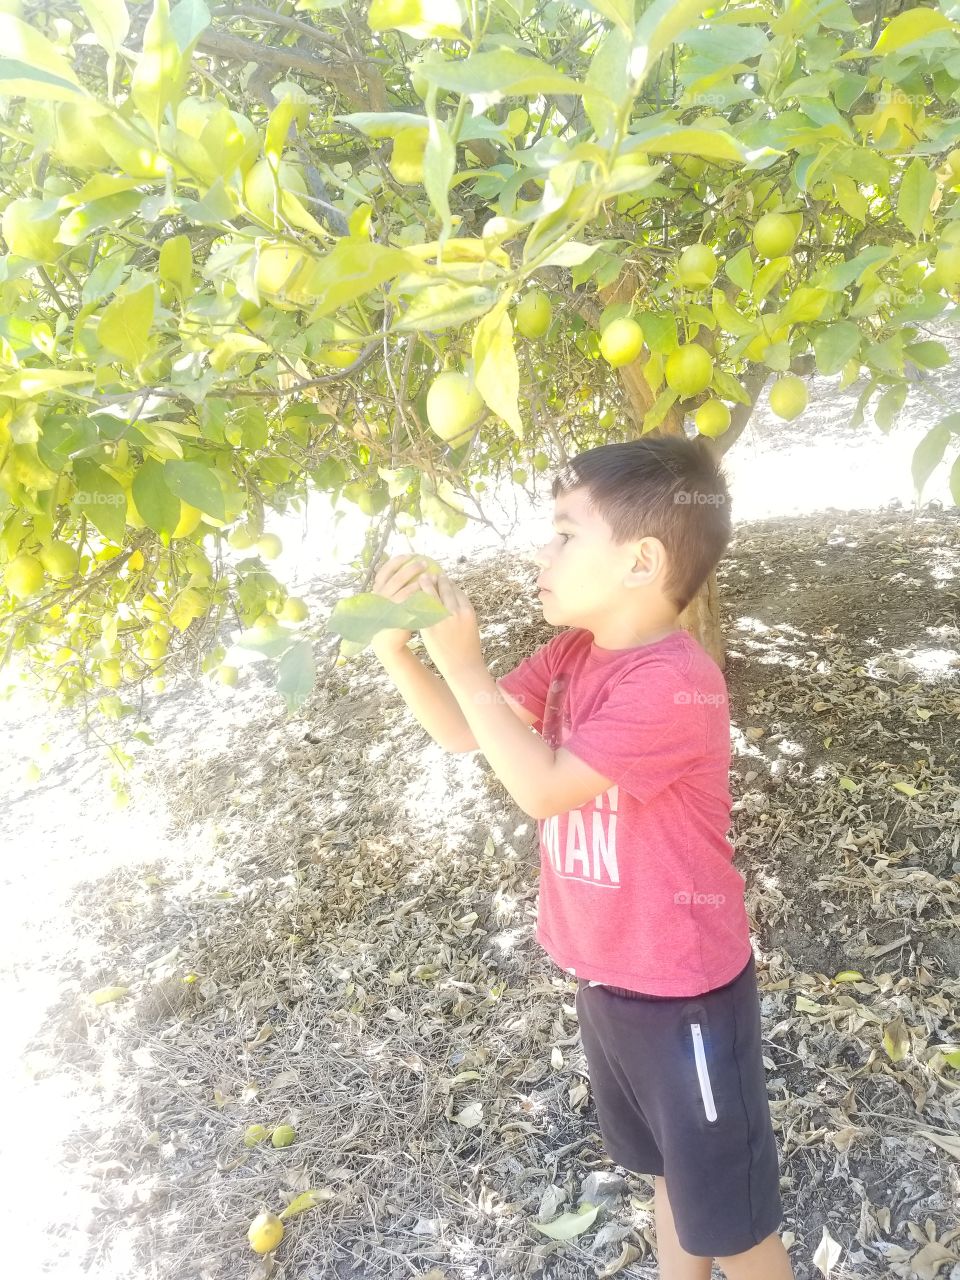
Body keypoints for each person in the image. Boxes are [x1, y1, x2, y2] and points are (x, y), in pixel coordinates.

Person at [370, 437, 795, 1280]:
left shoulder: (675, 683)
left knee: (734, 1222)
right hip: (611, 981)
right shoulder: (572, 657)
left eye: (565, 534)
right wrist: (399, 654)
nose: (542, 552)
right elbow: (465, 731)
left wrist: (465, 661)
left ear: (640, 561)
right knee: (669, 1175)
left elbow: (541, 787)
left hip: (686, 999)